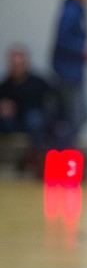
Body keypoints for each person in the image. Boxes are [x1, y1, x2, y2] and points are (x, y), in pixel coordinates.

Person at [50, 0, 87, 148]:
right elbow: (62, 38)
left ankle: (63, 150)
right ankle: (60, 150)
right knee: (77, 116)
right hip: (67, 73)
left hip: (74, 71)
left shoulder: (79, 9)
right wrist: (82, 50)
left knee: (79, 116)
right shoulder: (71, 10)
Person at [0, 45, 55, 175]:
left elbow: (52, 103)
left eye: (19, 64)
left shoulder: (38, 83)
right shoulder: (5, 86)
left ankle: (37, 159)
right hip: (13, 123)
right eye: (14, 64)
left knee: (34, 118)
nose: (17, 68)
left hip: (36, 123)